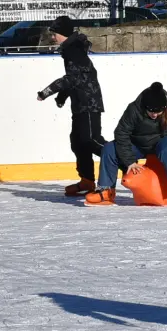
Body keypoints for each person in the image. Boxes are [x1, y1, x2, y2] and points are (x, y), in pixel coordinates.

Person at [86, 82, 167, 208]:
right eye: (151, 111)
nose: (154, 114)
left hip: (163, 140)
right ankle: (106, 191)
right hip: (138, 144)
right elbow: (121, 133)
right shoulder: (134, 109)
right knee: (109, 149)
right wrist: (130, 161)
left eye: (158, 112)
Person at [36, 17, 105, 197]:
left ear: (63, 34)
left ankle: (126, 164)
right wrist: (62, 97)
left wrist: (46, 92)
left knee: (92, 140)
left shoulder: (73, 50)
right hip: (80, 103)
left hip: (88, 103)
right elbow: (74, 80)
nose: (53, 38)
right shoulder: (70, 49)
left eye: (55, 34)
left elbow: (70, 79)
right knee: (78, 141)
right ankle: (87, 180)